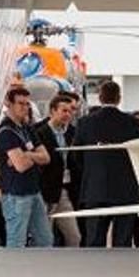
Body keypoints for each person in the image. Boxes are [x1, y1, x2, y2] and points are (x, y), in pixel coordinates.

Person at [73, 81, 139, 247]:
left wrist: (91, 172)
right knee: (122, 243)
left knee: (95, 243)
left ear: (100, 98)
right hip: (125, 190)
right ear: (119, 98)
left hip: (95, 189)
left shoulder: (85, 123)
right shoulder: (132, 122)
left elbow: (76, 154)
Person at [0, 87, 53, 248]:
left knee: (46, 240)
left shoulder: (27, 128)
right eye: (20, 103)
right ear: (9, 104)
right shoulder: (6, 131)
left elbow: (46, 157)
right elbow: (21, 166)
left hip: (34, 191)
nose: (25, 107)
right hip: (15, 194)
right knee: (17, 242)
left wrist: (27, 154)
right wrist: (33, 155)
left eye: (27, 104)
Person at [33, 95, 83, 247]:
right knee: (45, 237)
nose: (68, 114)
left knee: (74, 236)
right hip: (45, 190)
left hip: (65, 190)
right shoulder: (39, 132)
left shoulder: (73, 132)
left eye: (70, 111)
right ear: (53, 111)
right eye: (64, 110)